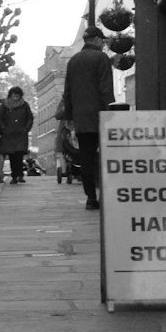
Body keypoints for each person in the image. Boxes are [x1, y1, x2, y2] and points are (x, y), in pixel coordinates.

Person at [62, 25, 115, 209]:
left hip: (81, 118)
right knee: (107, 156)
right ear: (97, 40)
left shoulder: (73, 61)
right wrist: (112, 113)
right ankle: (107, 195)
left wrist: (69, 116)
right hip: (102, 116)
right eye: (102, 41)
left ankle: (91, 198)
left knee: (86, 158)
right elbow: (106, 89)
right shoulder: (101, 58)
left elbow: (67, 92)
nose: (103, 44)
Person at [0, 85, 34, 185]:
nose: (15, 97)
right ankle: (14, 176)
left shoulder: (25, 105)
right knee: (12, 156)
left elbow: (30, 118)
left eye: (17, 95)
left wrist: (26, 129)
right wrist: (3, 128)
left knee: (19, 156)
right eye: (13, 95)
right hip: (8, 135)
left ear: (20, 96)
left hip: (21, 135)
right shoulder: (5, 105)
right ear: (10, 95)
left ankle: (20, 175)